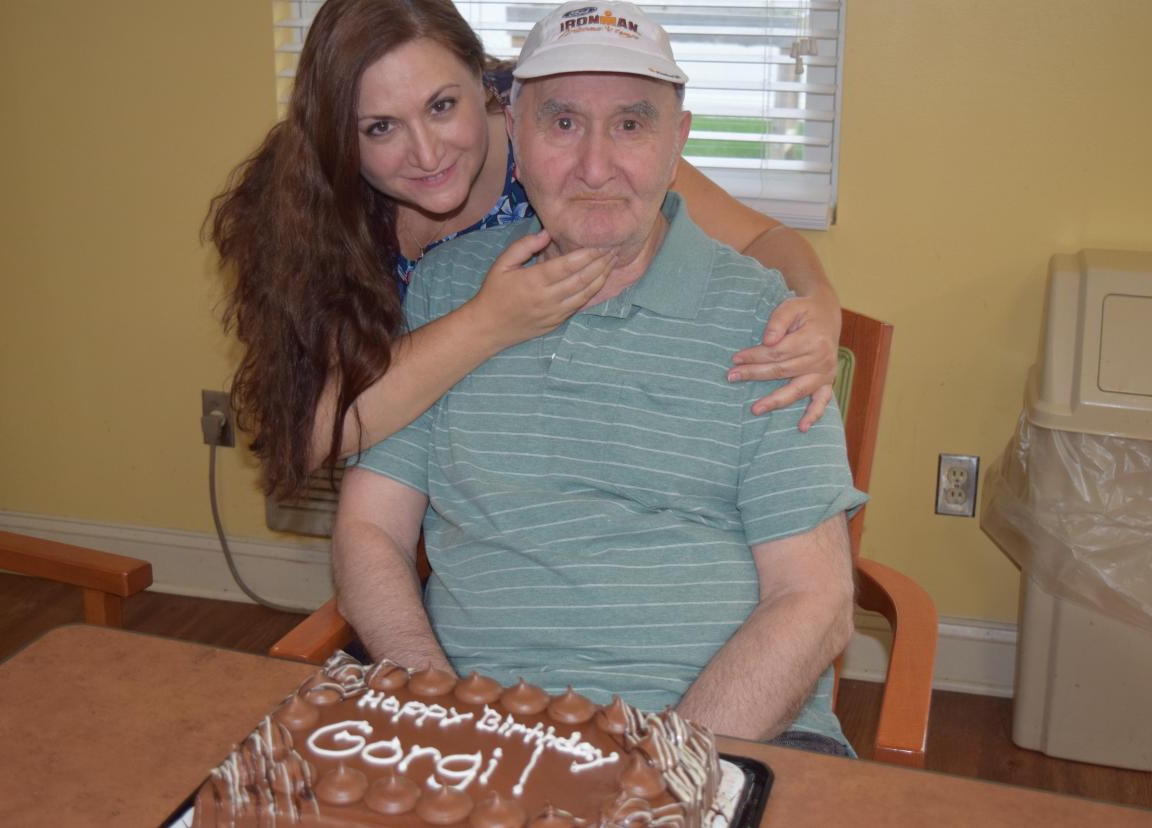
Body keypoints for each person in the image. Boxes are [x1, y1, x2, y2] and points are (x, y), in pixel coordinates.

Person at [333, 1, 866, 755]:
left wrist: (659, 775)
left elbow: (815, 600)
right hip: (472, 727)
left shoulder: (769, 324)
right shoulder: (449, 292)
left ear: (677, 141)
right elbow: (369, 529)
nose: (594, 166)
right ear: (511, 134)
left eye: (631, 124)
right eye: (561, 123)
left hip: (725, 734)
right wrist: (438, 711)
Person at [206, 0, 842, 502]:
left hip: (540, 486)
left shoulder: (556, 146)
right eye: (380, 128)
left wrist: (819, 305)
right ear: (337, 137)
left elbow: (764, 238)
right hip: (413, 502)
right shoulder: (316, 206)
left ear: (490, 90)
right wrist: (488, 323)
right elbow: (311, 433)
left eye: (442, 106)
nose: (426, 155)